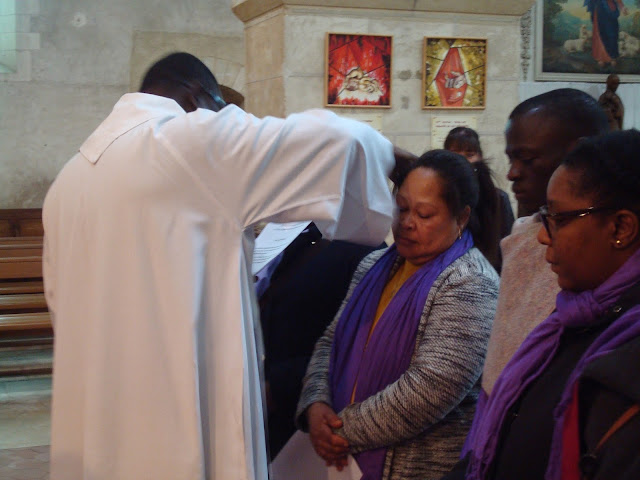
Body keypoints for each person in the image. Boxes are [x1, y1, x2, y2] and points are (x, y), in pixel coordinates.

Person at [42, 52, 405, 480]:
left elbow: (61, 309)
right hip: (172, 422)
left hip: (98, 420)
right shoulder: (183, 140)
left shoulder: (67, 182)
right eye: (223, 109)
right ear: (198, 98)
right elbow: (338, 140)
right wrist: (411, 164)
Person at [296, 150, 500, 479]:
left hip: (417, 467)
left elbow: (430, 390)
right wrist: (316, 403)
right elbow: (331, 340)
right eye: (402, 208)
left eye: (424, 214)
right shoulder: (375, 265)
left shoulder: (470, 283)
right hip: (345, 456)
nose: (406, 222)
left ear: (461, 218)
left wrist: (337, 430)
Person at [453, 129, 640, 480]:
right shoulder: (575, 316)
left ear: (621, 227)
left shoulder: (627, 355)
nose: (542, 235)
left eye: (558, 219)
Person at [481, 89, 609, 397]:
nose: (512, 174)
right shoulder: (523, 235)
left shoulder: (602, 252)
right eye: (511, 158)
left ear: (577, 155)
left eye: (526, 159)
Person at [257, 222, 385, 458]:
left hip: (301, 423)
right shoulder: (296, 231)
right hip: (254, 405)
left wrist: (276, 388)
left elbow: (356, 351)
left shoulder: (366, 250)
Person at [444, 126, 514, 272]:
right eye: (455, 154)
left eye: (469, 154)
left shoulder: (498, 198)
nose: (463, 161)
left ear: (480, 157)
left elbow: (509, 248)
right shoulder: (440, 198)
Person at [584, 0, 629, 67]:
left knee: (612, 34)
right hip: (598, 9)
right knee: (599, 33)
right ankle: (601, 57)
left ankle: (613, 57)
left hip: (610, 9)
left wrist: (622, 7)